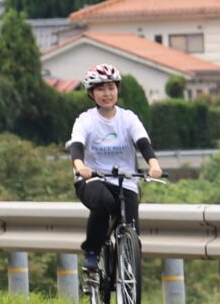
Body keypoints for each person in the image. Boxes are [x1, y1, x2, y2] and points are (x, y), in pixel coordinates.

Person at [68, 63, 163, 271]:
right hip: (93, 179)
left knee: (133, 233)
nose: (107, 94)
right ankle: (92, 251)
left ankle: (128, 277)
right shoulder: (86, 120)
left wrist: (153, 164)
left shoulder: (128, 118)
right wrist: (79, 165)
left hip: (125, 180)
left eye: (111, 88)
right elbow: (76, 146)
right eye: (101, 89)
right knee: (103, 202)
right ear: (92, 93)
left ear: (117, 89)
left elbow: (143, 143)